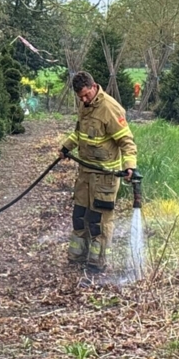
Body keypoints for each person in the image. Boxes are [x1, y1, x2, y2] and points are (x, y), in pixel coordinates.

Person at [59, 71, 137, 271]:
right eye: (80, 97)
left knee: (98, 221)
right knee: (80, 215)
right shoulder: (84, 106)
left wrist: (130, 165)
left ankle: (97, 263)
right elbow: (80, 134)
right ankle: (78, 257)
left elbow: (126, 141)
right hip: (85, 173)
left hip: (105, 176)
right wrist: (66, 147)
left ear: (94, 86)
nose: (84, 100)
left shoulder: (109, 109)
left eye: (86, 95)